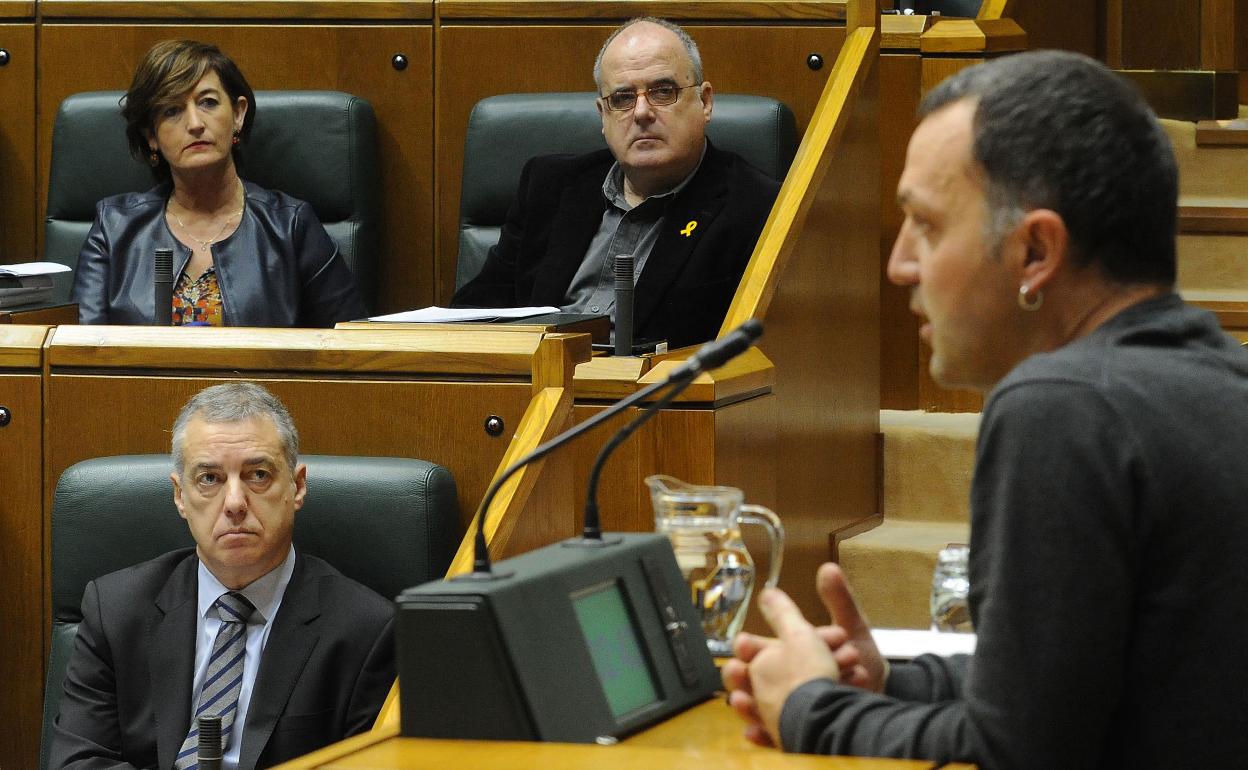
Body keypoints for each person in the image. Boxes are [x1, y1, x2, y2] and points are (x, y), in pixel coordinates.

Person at [722, 51, 1248, 768]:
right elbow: (1088, 684)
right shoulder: (1217, 378)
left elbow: (1019, 750)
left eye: (927, 226)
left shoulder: (1062, 408)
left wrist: (812, 710)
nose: (900, 265)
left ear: (1035, 251)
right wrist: (898, 682)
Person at [48, 382, 394, 770]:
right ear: (180, 496)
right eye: (209, 479)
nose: (234, 503)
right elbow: (77, 762)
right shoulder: (115, 610)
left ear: (297, 487)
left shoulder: (366, 630)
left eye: (258, 475)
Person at [451, 18, 780, 349]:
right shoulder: (548, 186)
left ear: (705, 102)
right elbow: (476, 313)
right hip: (535, 387)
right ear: (602, 115)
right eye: (622, 98)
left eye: (663, 92)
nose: (641, 112)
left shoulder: (757, 207)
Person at [71, 40, 366, 327]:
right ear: (151, 135)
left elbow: (350, 349)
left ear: (238, 114)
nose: (195, 123)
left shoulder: (291, 226)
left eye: (208, 103)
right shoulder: (114, 227)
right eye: (172, 110)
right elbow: (79, 356)